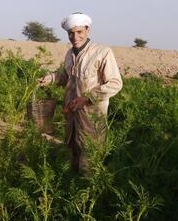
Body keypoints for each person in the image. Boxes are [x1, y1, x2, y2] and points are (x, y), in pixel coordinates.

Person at [39, 12, 123, 174]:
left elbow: (115, 83)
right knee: (72, 150)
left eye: (79, 32)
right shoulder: (69, 54)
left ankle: (87, 192)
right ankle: (72, 186)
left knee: (90, 155)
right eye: (71, 33)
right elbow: (66, 77)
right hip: (71, 113)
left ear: (87, 30)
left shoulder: (102, 52)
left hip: (92, 115)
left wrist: (88, 98)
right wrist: (50, 78)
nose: (74, 37)